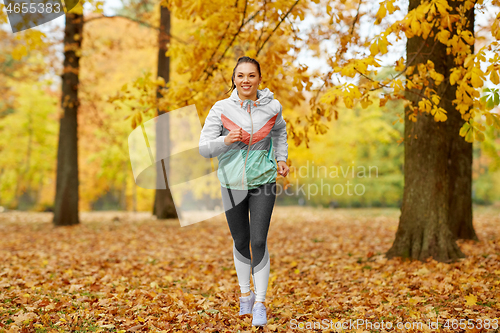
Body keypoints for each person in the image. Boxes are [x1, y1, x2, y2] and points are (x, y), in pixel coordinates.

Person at [199, 56, 289, 326]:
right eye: (240, 75)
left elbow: (280, 131)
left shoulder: (272, 107)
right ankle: (245, 295)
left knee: (258, 241)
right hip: (231, 182)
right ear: (234, 79)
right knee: (241, 241)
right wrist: (225, 140)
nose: (246, 80)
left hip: (263, 180)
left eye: (251, 75)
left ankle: (260, 302)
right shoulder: (220, 108)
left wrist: (281, 158)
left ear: (260, 79)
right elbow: (204, 148)